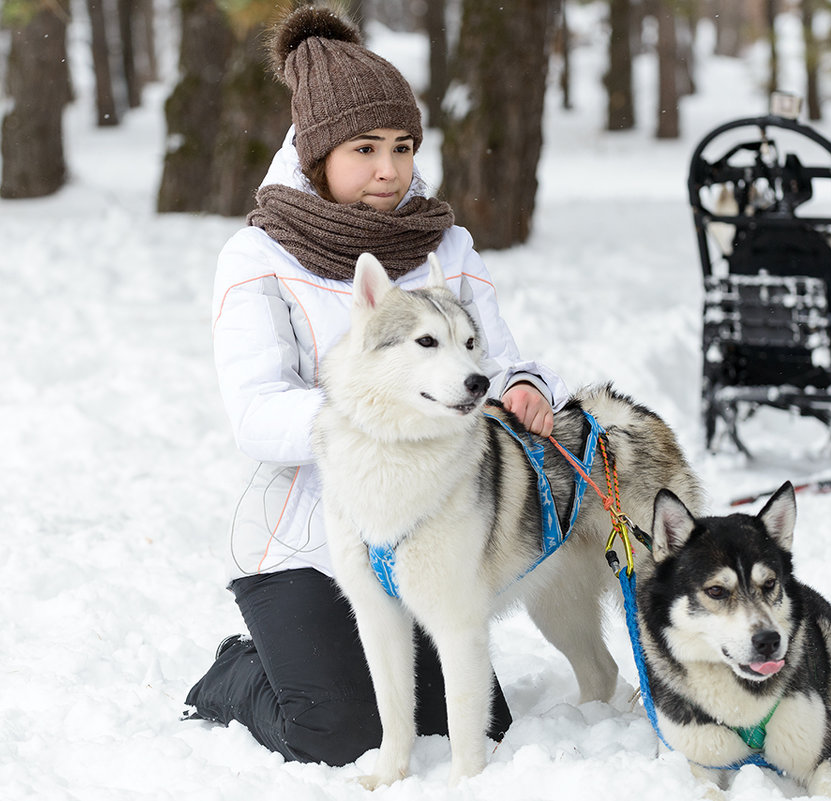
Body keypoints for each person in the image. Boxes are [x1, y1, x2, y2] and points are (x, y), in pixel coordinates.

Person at [182, 5, 568, 767]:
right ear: (316, 151)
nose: (389, 169)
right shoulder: (258, 255)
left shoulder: (441, 242)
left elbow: (497, 360)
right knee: (335, 729)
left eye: (402, 146)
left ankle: (319, 662)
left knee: (468, 719)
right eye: (364, 149)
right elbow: (257, 415)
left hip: (429, 520)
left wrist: (525, 388)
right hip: (303, 536)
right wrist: (379, 415)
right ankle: (239, 668)